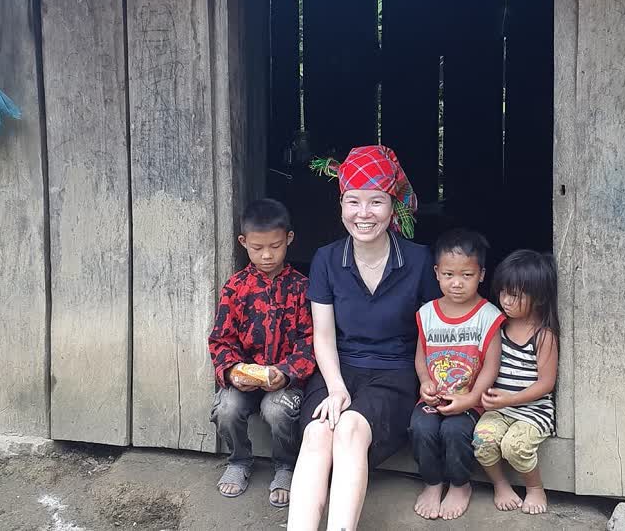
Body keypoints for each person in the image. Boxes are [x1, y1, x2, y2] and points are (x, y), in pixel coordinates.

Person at [287, 145, 440, 530]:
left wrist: (428, 379)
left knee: (351, 428)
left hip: (394, 374)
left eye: (375, 202)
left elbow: (432, 330)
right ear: (341, 205)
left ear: (392, 207)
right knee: (318, 432)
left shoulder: (419, 260)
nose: (363, 213)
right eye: (353, 201)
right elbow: (323, 335)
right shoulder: (325, 259)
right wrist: (336, 388)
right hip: (337, 369)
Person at [208, 198, 315, 508]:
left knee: (278, 409)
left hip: (286, 380)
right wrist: (232, 371)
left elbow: (310, 342)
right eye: (257, 248)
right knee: (226, 407)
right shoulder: (235, 287)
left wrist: (287, 372)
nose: (267, 255)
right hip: (244, 377)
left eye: (275, 246)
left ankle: (285, 465)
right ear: (244, 243)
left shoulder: (303, 288)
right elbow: (220, 339)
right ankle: (239, 460)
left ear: (289, 240)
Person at [410, 229, 504, 521]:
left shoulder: (488, 315)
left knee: (455, 431)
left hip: (470, 400)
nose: (457, 283)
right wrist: (425, 382)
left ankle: (461, 484)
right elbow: (421, 356)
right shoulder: (427, 312)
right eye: (449, 274)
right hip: (435, 397)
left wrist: (473, 398)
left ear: (481, 274)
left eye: (467, 275)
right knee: (421, 428)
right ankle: (433, 482)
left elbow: (491, 364)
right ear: (437, 272)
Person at [473, 250, 559, 515]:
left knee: (515, 446)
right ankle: (500, 484)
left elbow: (546, 383)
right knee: (482, 440)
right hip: (500, 409)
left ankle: (534, 488)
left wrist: (511, 399)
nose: (506, 301)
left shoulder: (543, 335)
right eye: (503, 292)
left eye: (516, 295)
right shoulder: (497, 326)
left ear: (540, 297)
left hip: (533, 412)